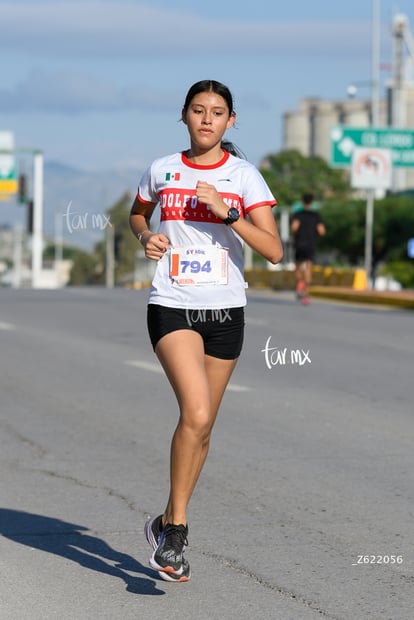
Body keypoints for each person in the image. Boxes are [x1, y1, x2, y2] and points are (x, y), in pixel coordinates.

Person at [129, 79, 283, 583]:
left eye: (218, 112)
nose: (207, 119)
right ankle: (176, 532)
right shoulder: (162, 169)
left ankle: (162, 521)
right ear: (185, 116)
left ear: (231, 121)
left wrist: (229, 213)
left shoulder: (244, 177)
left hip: (225, 313)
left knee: (203, 427)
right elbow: (137, 213)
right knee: (194, 412)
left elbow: (274, 250)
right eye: (198, 110)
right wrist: (148, 236)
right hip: (171, 304)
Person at [290, 192, 326, 305]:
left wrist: (296, 234)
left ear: (302, 201)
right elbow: (322, 231)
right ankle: (306, 295)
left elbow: (294, 227)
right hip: (311, 244)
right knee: (308, 268)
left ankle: (299, 284)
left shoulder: (298, 214)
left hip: (300, 243)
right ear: (312, 202)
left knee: (298, 266)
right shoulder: (316, 215)